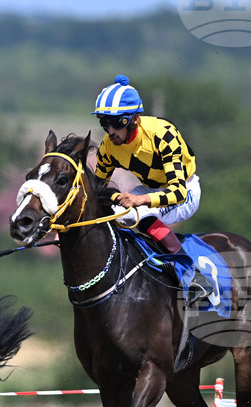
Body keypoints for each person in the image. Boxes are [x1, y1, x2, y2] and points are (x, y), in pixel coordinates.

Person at [91, 74, 212, 298]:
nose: (110, 131)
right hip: (149, 189)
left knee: (139, 213)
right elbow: (96, 190)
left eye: (117, 123)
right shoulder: (108, 147)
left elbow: (178, 192)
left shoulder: (163, 135)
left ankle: (193, 274)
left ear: (134, 119)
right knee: (114, 214)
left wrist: (140, 200)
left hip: (185, 190)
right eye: (104, 122)